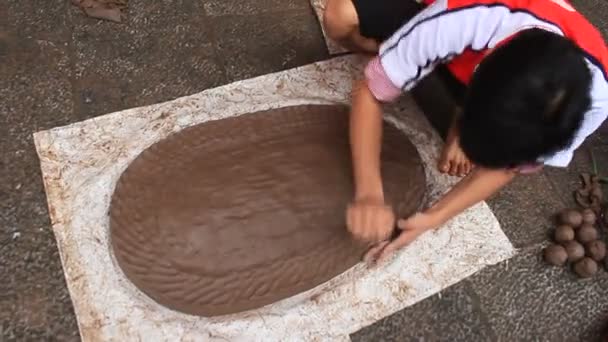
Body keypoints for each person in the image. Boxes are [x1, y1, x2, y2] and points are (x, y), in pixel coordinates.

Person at [324, 0, 608, 263]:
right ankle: (399, 55)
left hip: (489, 62)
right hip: (449, 23)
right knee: (338, 18)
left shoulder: (595, 100)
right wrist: (369, 194)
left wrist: (433, 218)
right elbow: (368, 93)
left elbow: (510, 167)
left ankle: (407, 62)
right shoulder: (458, 21)